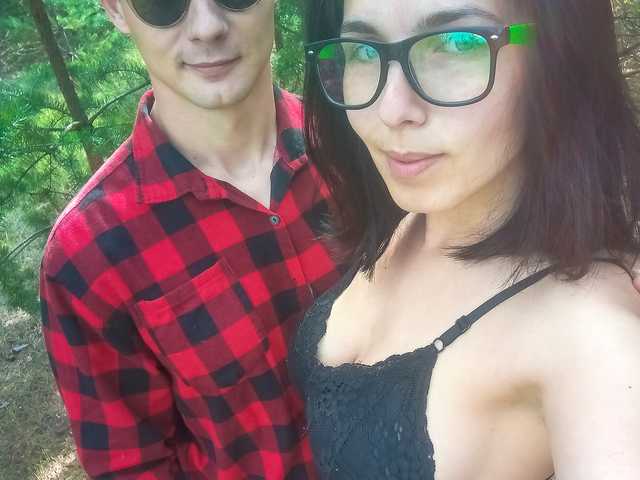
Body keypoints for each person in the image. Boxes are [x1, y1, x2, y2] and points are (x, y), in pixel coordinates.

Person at [289, 0, 640, 479]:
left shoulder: (594, 337)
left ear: (559, 55)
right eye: (363, 50)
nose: (391, 110)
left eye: (456, 43)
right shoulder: (416, 212)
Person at [39, 0, 342, 478]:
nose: (207, 27)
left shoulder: (363, 147)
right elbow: (133, 466)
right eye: (163, 3)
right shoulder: (87, 255)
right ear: (115, 9)